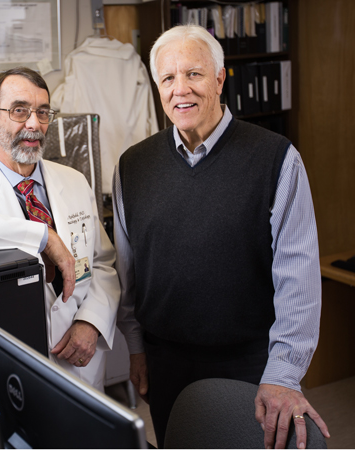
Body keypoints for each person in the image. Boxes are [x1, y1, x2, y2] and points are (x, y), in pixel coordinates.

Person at [113, 25, 331, 448]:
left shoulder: (276, 158)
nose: (181, 90)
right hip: (166, 363)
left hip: (251, 364)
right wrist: (136, 349)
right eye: (168, 78)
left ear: (219, 78)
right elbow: (129, 274)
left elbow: (298, 278)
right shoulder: (132, 167)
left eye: (194, 74)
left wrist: (284, 374)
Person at [0, 67, 120, 391]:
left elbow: (102, 263)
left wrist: (92, 322)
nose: (33, 124)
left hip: (80, 362)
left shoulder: (73, 180)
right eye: (19, 111)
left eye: (42, 112)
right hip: (13, 365)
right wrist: (41, 235)